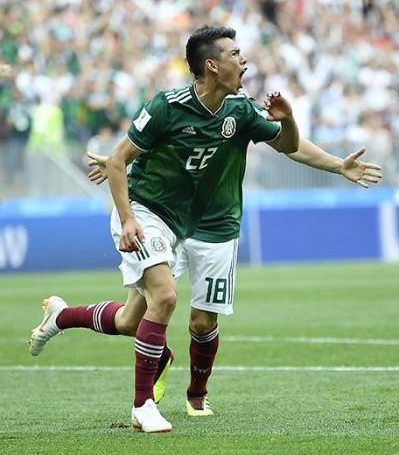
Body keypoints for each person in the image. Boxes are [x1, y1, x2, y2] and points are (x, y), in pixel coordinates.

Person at [28, 25, 302, 433]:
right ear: (211, 65)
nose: (243, 60)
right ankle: (143, 407)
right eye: (235, 53)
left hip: (175, 224)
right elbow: (118, 161)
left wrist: (290, 119)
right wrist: (128, 220)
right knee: (167, 297)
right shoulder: (166, 106)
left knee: (128, 320)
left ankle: (60, 316)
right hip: (141, 211)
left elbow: (290, 145)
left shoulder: (239, 109)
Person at [79, 137, 382, 415]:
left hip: (216, 227)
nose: (242, 74)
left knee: (202, 321)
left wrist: (338, 164)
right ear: (211, 72)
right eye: (238, 71)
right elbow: (149, 143)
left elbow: (289, 143)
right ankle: (67, 319)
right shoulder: (177, 106)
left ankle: (196, 394)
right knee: (132, 319)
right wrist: (120, 159)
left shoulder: (241, 110)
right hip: (167, 219)